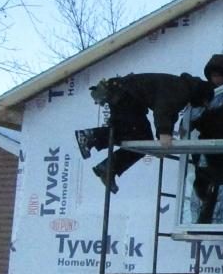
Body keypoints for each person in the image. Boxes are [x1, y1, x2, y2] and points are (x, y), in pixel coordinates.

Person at [74, 72, 214, 193]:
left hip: (124, 93)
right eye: (205, 103)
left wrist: (164, 138)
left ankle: (108, 166)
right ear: (201, 95)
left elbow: (170, 113)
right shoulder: (182, 89)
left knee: (137, 139)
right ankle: (90, 138)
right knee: (139, 137)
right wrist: (164, 134)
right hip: (125, 94)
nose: (203, 106)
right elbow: (163, 108)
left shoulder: (182, 88)